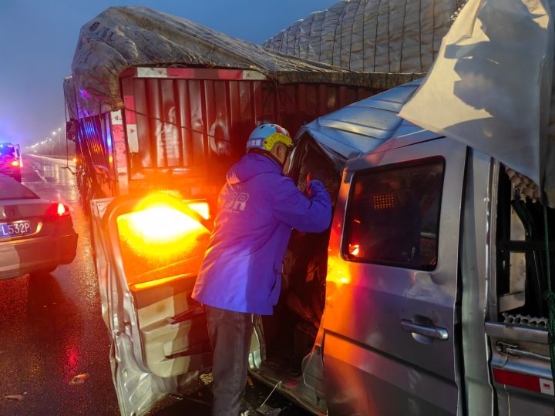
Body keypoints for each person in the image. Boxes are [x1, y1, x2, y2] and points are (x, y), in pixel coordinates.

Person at [192, 123, 332, 416]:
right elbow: (317, 219)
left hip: (218, 284)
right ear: (278, 149)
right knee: (231, 375)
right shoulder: (273, 185)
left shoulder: (234, 182)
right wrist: (317, 186)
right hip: (235, 293)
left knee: (229, 368)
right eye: (286, 151)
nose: (287, 158)